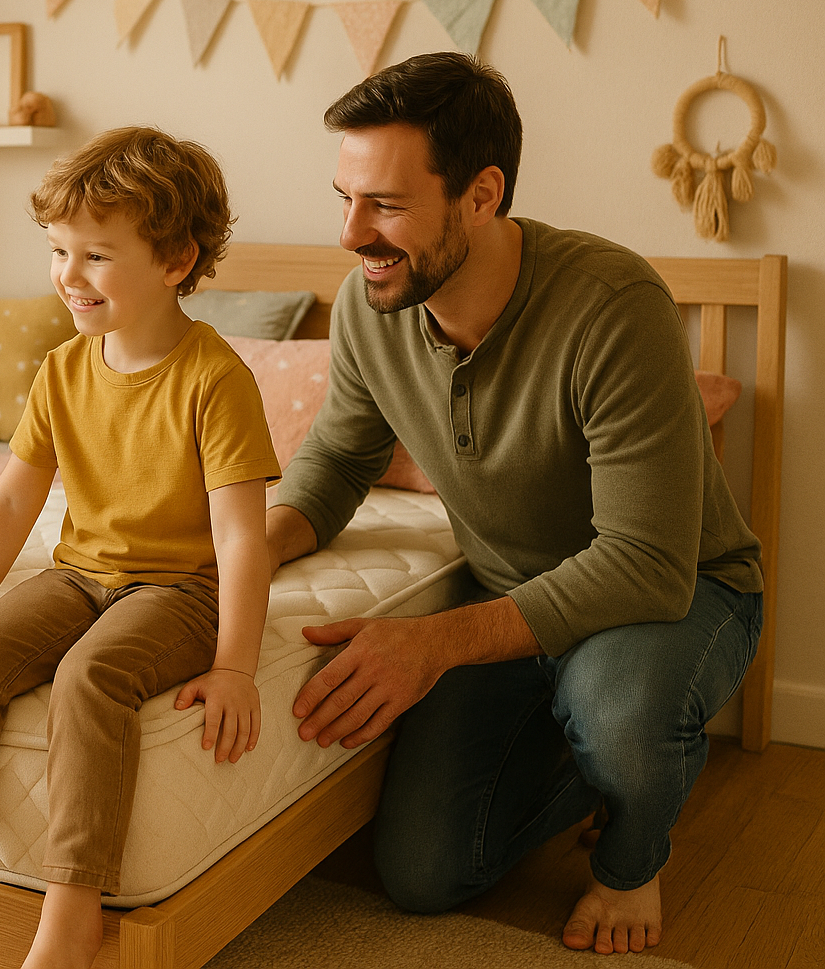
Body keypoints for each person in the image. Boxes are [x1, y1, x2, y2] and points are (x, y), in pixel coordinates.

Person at [269, 53, 764, 956]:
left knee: (621, 713)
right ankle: (600, 762)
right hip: (513, 601)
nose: (350, 233)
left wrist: (440, 644)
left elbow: (644, 564)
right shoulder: (367, 304)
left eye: (384, 204)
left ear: (482, 194)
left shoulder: (614, 306)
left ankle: (631, 849)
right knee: (423, 876)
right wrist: (248, 548)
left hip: (676, 597)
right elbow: (339, 459)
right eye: (344, 196)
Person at [0, 126, 283, 969]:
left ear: (176, 260)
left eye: (96, 257)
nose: (68, 278)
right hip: (80, 573)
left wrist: (235, 666)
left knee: (90, 677)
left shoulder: (216, 379)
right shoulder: (63, 369)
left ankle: (72, 909)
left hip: (183, 590)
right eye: (58, 252)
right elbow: (11, 499)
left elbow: (241, 538)